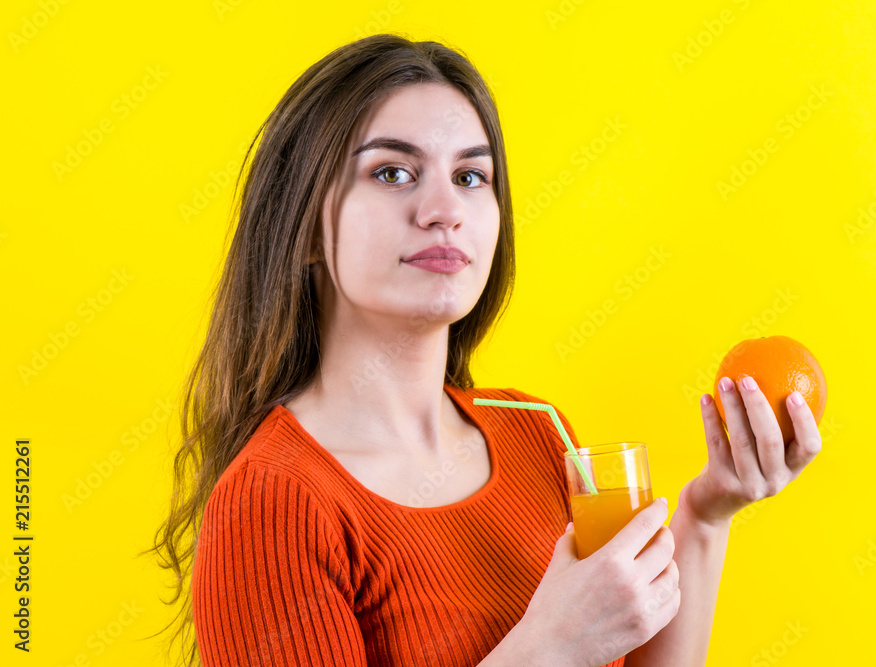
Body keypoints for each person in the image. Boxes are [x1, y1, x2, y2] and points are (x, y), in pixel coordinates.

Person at [147, 34, 822, 667]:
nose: (445, 208)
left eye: (472, 177)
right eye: (391, 172)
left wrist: (708, 510)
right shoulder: (273, 502)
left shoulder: (540, 430)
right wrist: (546, 646)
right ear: (301, 226)